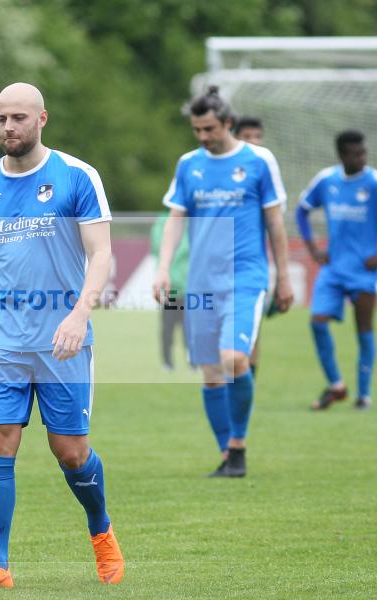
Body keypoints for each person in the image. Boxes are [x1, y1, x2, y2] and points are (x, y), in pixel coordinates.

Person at [0, 83, 123, 589]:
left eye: (19, 118)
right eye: (2, 118)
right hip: (2, 339)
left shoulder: (76, 176)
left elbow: (100, 253)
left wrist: (78, 315)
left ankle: (101, 532)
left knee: (69, 451)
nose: (9, 127)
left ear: (42, 119)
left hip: (61, 340)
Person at [153, 86, 294, 478]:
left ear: (228, 123)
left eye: (209, 129)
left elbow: (275, 224)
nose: (202, 137)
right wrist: (163, 268)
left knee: (235, 359)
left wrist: (283, 277)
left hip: (246, 277)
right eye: (197, 130)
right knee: (211, 372)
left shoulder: (258, 161)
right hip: (201, 281)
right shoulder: (188, 165)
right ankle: (228, 453)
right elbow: (176, 219)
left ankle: (239, 442)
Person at [296, 130, 377, 411]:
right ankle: (337, 385)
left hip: (364, 271)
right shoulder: (327, 180)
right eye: (355, 154)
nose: (362, 158)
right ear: (341, 155)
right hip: (333, 269)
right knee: (317, 322)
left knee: (363, 330)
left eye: (364, 152)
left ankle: (363, 395)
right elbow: (301, 210)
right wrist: (313, 248)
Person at [233, 115, 268, 380]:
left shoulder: (263, 170)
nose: (254, 142)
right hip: (213, 269)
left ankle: (248, 381)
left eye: (258, 137)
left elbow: (275, 223)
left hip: (251, 267)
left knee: (251, 331)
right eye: (247, 137)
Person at [149, 212, 189, 370]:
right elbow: (157, 247)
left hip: (187, 287)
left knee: (188, 328)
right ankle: (168, 362)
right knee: (168, 327)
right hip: (170, 287)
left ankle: (191, 360)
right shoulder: (163, 222)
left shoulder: (190, 223)